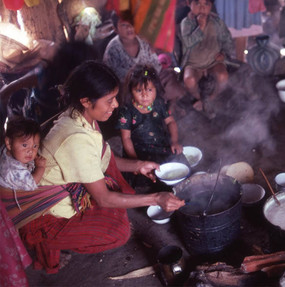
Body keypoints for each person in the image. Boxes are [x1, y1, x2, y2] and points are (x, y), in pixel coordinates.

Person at [9, 61, 184, 274]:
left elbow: (102, 157)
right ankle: (46, 240)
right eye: (109, 100)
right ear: (86, 101)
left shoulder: (82, 116)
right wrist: (157, 199)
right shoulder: (74, 137)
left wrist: (138, 165)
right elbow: (103, 198)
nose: (116, 105)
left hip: (66, 188)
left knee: (120, 195)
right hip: (44, 215)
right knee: (118, 232)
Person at [180, 0, 234, 116]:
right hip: (193, 63)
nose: (202, 8)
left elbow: (227, 40)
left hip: (213, 61)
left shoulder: (217, 22)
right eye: (197, 4)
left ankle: (211, 99)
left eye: (206, 5)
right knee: (189, 80)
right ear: (189, 3)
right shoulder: (186, 23)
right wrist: (201, 28)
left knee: (223, 76)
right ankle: (199, 98)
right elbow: (187, 42)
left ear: (211, 6)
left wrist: (224, 54)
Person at [117, 65, 183, 164]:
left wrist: (174, 141)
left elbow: (170, 121)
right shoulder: (126, 111)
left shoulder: (159, 103)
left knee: (178, 161)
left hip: (160, 147)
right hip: (138, 154)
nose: (145, 95)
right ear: (131, 91)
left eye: (149, 90)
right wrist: (136, 161)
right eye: (139, 90)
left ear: (156, 89)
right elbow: (126, 138)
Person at [103, 11, 162, 82]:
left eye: (132, 23)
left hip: (149, 81)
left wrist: (146, 75)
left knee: (169, 74)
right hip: (127, 87)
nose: (129, 27)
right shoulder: (113, 49)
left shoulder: (144, 42)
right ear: (115, 29)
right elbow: (115, 76)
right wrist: (142, 76)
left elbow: (156, 65)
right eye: (124, 24)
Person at [0, 117, 45, 191]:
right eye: (25, 145)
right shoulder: (13, 170)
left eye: (35, 146)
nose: (30, 151)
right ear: (9, 143)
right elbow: (31, 183)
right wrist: (40, 167)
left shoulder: (7, 150)